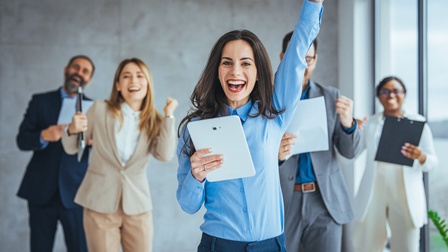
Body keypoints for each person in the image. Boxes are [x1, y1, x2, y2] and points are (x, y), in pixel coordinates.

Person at [176, 1, 323, 251]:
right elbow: (187, 205)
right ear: (217, 71)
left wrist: (314, 3)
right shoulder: (195, 128)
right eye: (227, 63)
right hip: (218, 245)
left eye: (245, 63)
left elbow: (298, 50)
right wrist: (196, 176)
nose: (236, 71)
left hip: (271, 244)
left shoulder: (274, 114)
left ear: (257, 72)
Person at [62, 57, 178, 251]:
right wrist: (72, 129)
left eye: (139, 76)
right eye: (126, 76)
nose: (133, 81)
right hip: (99, 203)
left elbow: (165, 155)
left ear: (148, 83)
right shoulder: (99, 109)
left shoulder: (156, 120)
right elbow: (72, 147)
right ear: (118, 85)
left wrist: (169, 116)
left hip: (138, 206)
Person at [277, 33, 362, 252]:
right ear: (282, 57)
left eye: (308, 59)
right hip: (284, 199)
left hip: (325, 201)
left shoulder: (330, 96)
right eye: (296, 57)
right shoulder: (267, 100)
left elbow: (350, 152)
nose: (302, 64)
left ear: (315, 61)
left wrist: (348, 123)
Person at [16, 55, 95, 252]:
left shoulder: (94, 108)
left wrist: (95, 142)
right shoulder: (40, 101)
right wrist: (44, 135)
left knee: (80, 248)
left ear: (89, 80)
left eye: (85, 71)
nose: (79, 73)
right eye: (76, 67)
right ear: (66, 69)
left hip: (76, 192)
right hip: (41, 190)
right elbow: (21, 140)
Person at [352, 76, 438, 252]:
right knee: (368, 245)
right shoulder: (370, 123)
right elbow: (352, 153)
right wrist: (354, 131)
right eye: (385, 91)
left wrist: (421, 157)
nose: (391, 95)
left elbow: (432, 162)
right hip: (374, 192)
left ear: (404, 95)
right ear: (378, 96)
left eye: (396, 91)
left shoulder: (418, 122)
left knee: (407, 246)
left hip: (405, 194)